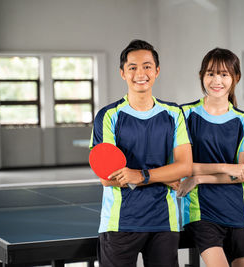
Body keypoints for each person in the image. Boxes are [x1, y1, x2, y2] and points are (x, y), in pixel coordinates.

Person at [89, 39, 192, 267]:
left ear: (157, 70)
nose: (140, 73)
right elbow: (107, 178)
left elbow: (185, 167)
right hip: (120, 222)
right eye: (132, 67)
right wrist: (164, 176)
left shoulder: (174, 113)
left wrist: (139, 175)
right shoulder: (108, 116)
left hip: (164, 222)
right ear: (122, 73)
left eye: (147, 66)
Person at [178, 48, 244, 267]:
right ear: (201, 76)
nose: (217, 80)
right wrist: (226, 167)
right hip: (201, 210)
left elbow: (242, 175)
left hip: (239, 210)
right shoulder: (184, 114)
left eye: (224, 74)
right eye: (211, 73)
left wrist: (199, 178)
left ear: (236, 78)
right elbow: (180, 166)